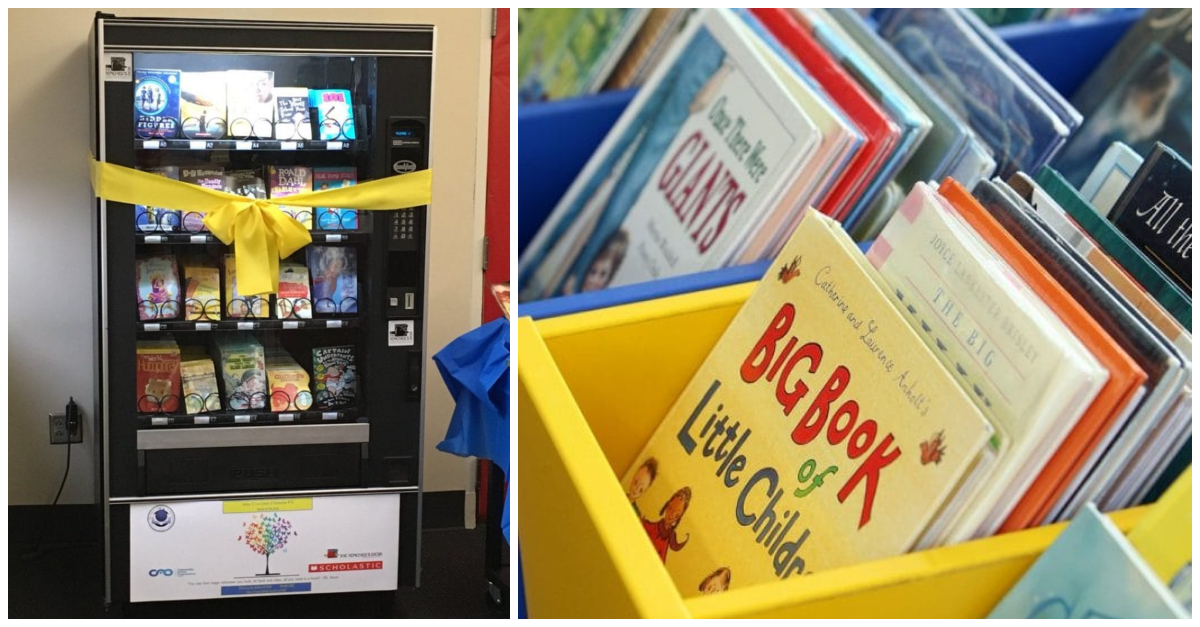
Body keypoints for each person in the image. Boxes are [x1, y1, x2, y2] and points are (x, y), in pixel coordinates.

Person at [641, 487, 691, 563]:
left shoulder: (670, 536)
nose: (671, 515)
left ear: (680, 516)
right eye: (670, 509)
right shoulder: (653, 527)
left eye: (676, 514)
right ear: (667, 505)